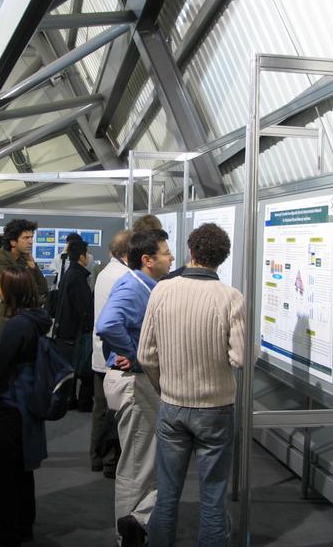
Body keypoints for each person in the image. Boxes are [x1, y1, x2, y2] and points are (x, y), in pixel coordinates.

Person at [138, 223, 246, 547]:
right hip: (216, 409)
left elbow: (145, 355)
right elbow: (241, 357)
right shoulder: (231, 297)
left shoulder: (162, 291)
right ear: (222, 258)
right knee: (213, 498)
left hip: (172, 406)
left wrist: (164, 388)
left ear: (191, 251)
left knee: (167, 494)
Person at [96, 229, 174, 547]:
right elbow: (107, 324)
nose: (171, 257)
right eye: (166, 253)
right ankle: (127, 533)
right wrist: (136, 356)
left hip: (135, 382)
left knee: (143, 463)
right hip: (133, 384)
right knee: (136, 466)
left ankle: (136, 527)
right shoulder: (132, 287)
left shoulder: (145, 285)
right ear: (147, 259)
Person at [0, 265, 51, 547]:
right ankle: (23, 524)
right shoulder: (36, 319)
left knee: (4, 471)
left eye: (0, 284)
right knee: (21, 469)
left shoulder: (17, 325)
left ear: (12, 290)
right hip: (27, 403)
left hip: (12, 404)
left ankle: (8, 530)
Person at [90, 230, 132, 479]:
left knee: (101, 408)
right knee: (112, 410)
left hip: (101, 353)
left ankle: (97, 457)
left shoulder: (106, 272)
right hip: (113, 354)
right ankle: (109, 460)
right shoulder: (123, 276)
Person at [0, 219, 48, 351]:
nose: (31, 241)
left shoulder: (24, 259)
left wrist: (33, 267)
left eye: (31, 237)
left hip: (25, 332)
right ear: (13, 242)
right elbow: (17, 296)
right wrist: (36, 298)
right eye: (26, 238)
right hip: (5, 333)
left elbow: (43, 290)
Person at [53, 239, 94, 412]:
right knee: (85, 369)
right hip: (76, 332)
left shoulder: (69, 273)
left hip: (65, 330)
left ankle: (71, 400)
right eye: (88, 254)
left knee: (71, 368)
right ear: (82, 257)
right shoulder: (78, 277)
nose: (89, 257)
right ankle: (83, 402)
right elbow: (84, 307)